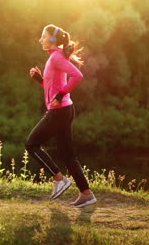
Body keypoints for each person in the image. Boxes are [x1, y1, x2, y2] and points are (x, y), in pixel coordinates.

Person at [26, 24, 97, 208]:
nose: (40, 39)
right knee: (68, 155)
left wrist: (60, 95)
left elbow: (78, 75)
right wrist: (40, 80)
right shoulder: (54, 57)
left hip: (60, 112)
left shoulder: (56, 57)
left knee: (32, 144)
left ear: (52, 39)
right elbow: (52, 88)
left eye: (43, 36)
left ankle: (59, 179)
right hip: (65, 110)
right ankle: (86, 194)